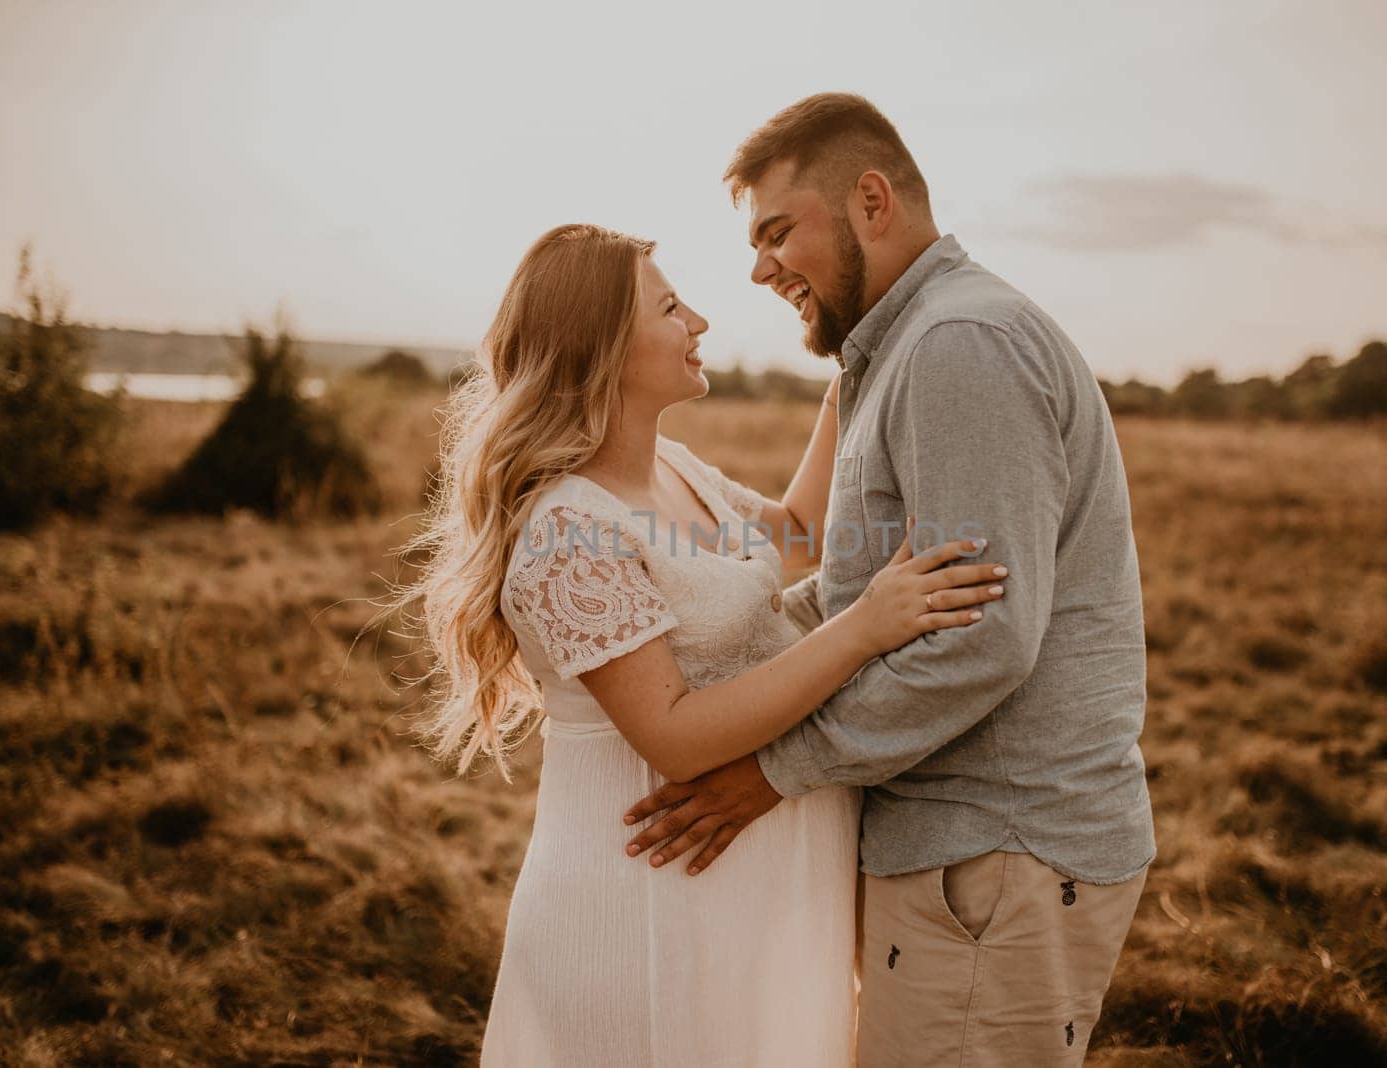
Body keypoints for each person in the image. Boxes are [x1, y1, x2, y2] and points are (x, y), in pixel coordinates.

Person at [388, 221, 1010, 1066]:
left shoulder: (672, 467)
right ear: (602, 346)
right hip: (649, 902)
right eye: (671, 307)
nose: (700, 323)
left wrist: (850, 378)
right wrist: (863, 628)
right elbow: (674, 735)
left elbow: (794, 534)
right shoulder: (570, 527)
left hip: (756, 896)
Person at [622, 93, 1158, 1067]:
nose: (757, 268)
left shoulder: (960, 346)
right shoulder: (896, 353)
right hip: (958, 857)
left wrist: (771, 771)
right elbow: (844, 586)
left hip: (993, 856)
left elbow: (980, 638)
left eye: (777, 231)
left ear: (871, 200)